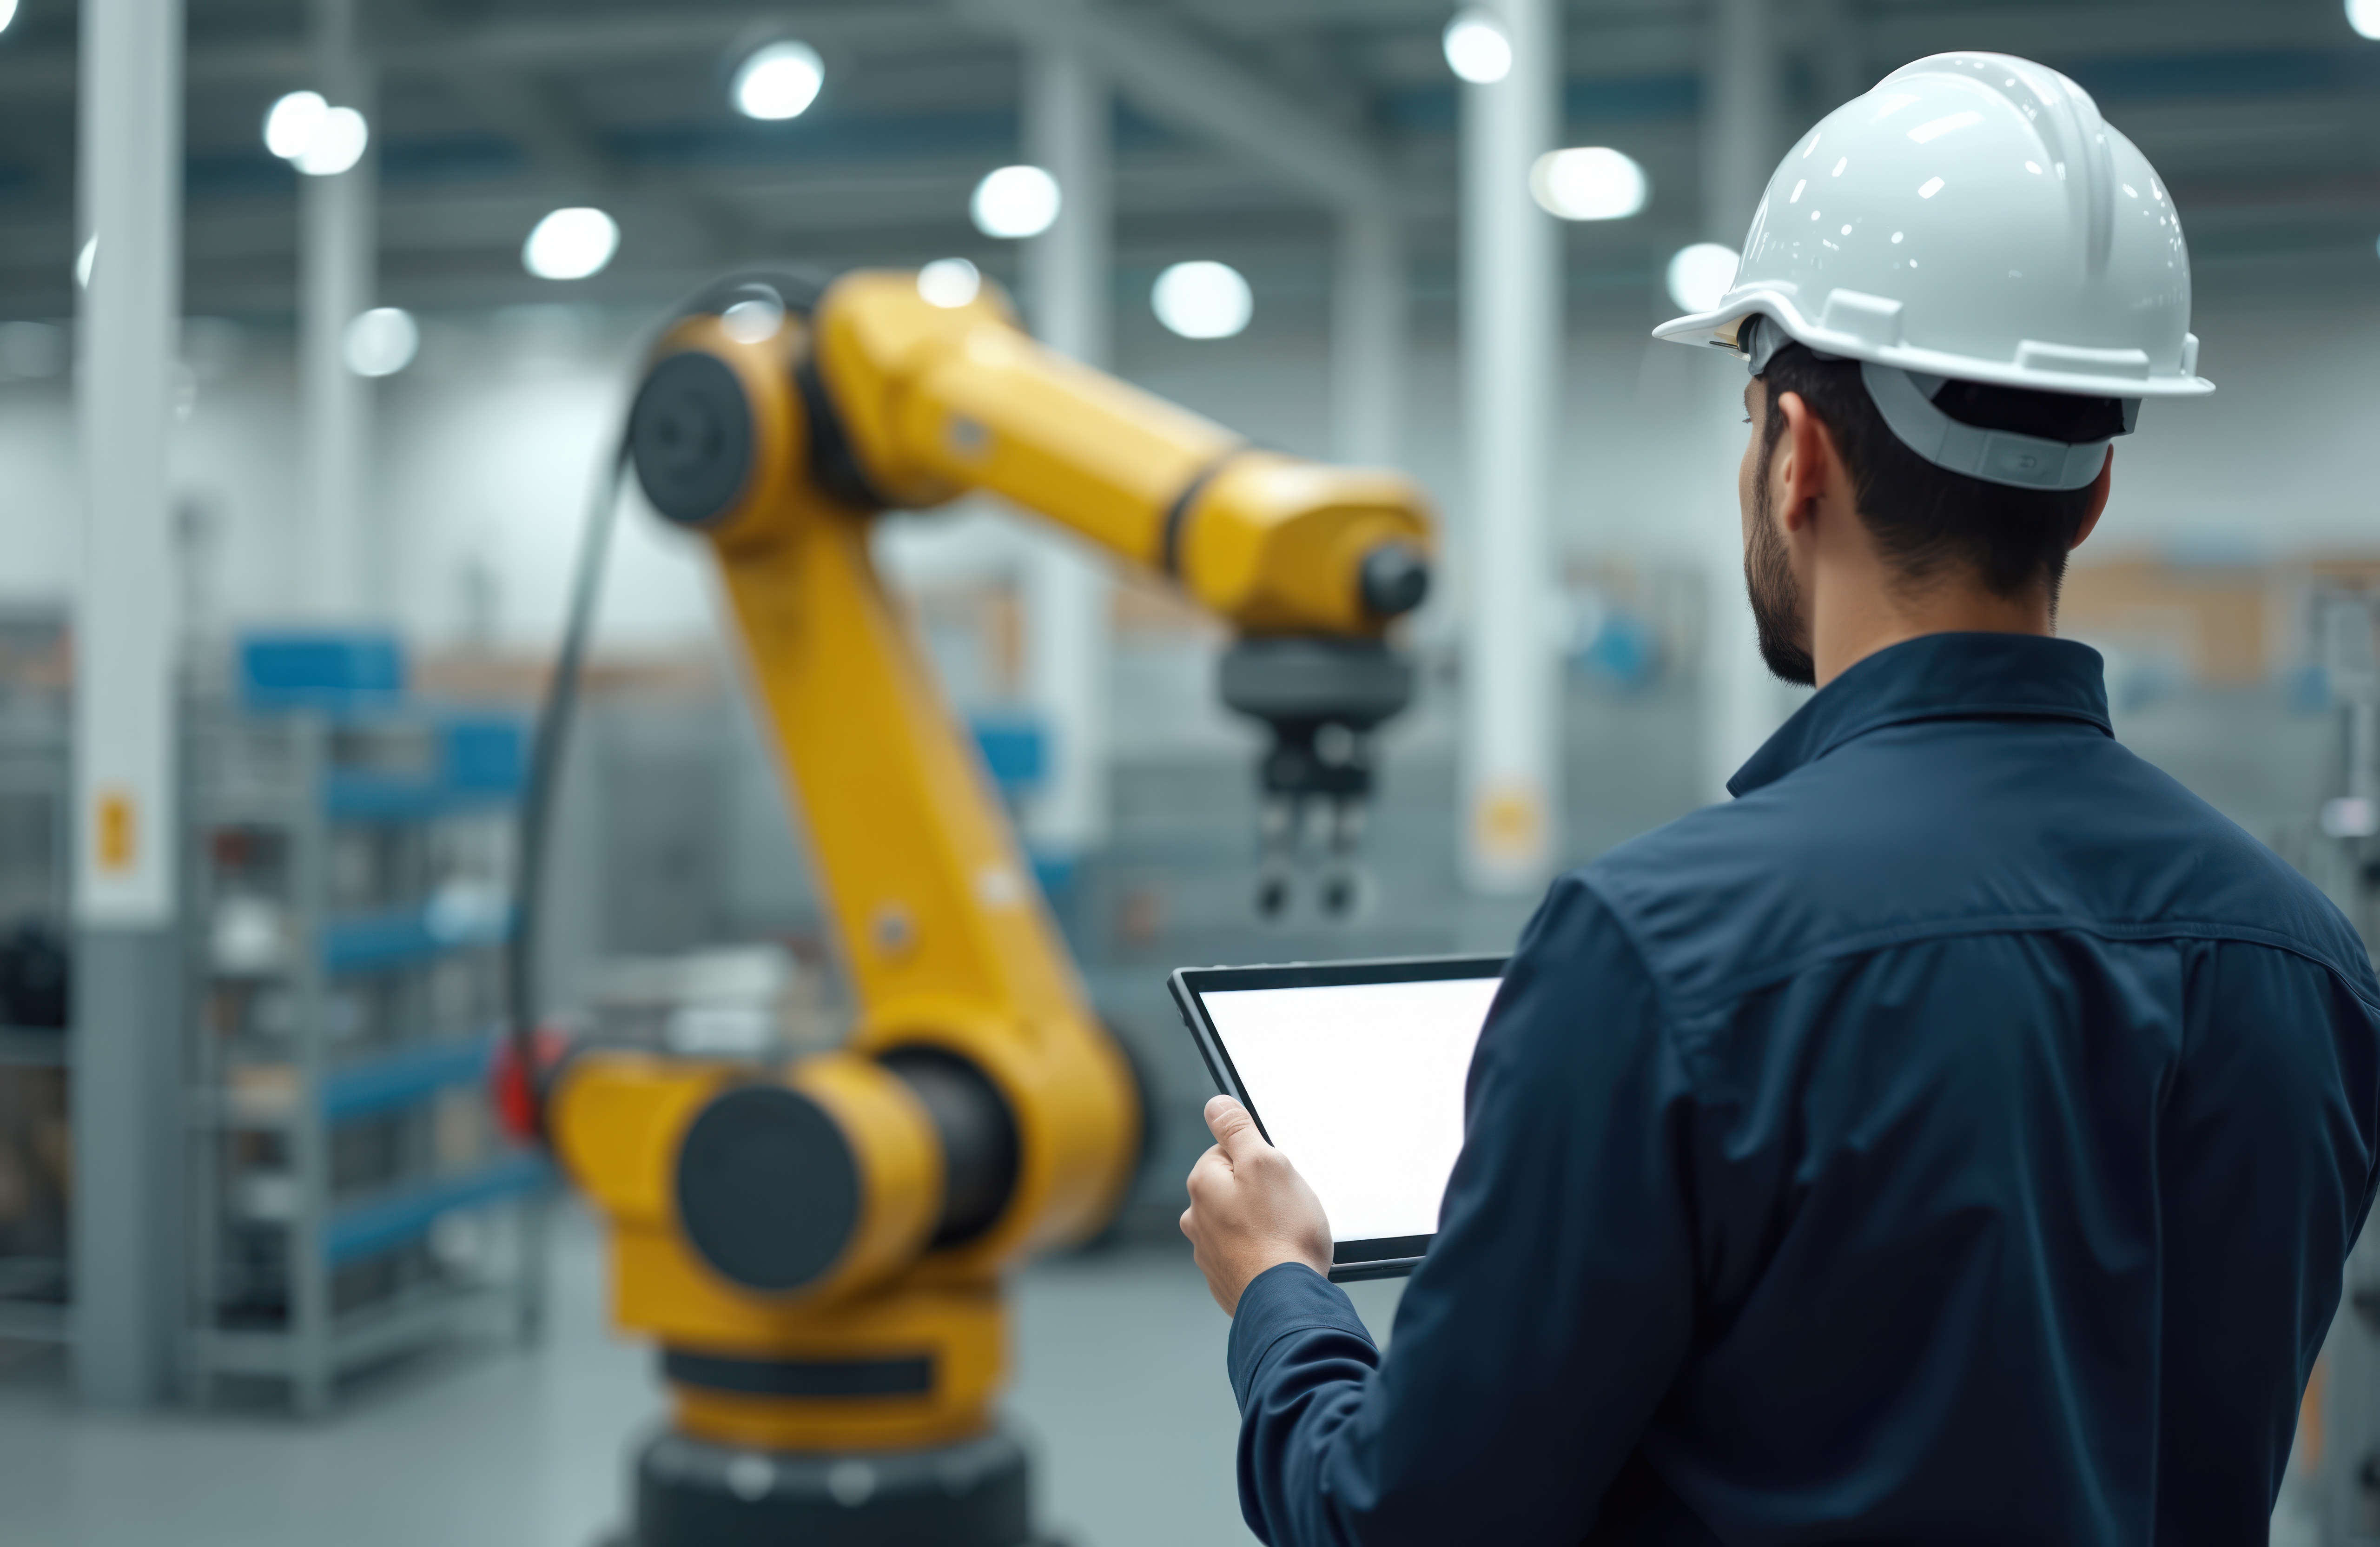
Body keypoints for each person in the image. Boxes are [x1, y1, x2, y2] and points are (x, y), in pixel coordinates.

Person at [1178, 51, 2380, 1545]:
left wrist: (1281, 1296)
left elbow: (1404, 1524)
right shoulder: (2302, 958)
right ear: (2091, 490)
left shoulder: (1663, 950)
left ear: (1796, 456)